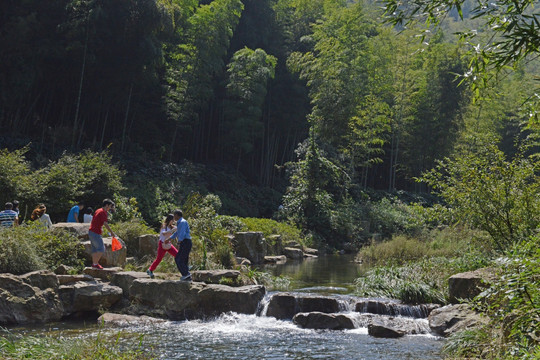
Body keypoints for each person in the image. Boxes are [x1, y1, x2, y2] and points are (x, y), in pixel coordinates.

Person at [146, 214, 179, 279]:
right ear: (170, 220)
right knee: (159, 259)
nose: (173, 222)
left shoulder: (172, 227)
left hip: (168, 244)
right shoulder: (164, 226)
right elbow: (164, 233)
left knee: (178, 254)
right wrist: (172, 231)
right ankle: (150, 270)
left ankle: (185, 268)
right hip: (162, 244)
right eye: (173, 220)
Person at [88, 199, 116, 269]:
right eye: (110, 206)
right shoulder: (103, 212)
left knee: (95, 249)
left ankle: (95, 264)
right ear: (106, 205)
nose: (110, 208)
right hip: (95, 232)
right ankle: (95, 264)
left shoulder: (98, 210)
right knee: (101, 249)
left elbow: (96, 221)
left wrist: (101, 228)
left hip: (91, 231)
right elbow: (105, 224)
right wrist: (112, 233)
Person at [166, 209, 192, 281]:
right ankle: (187, 275)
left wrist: (179, 243)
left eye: (174, 215)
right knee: (183, 259)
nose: (174, 217)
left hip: (185, 242)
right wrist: (169, 239)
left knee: (179, 259)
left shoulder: (182, 222)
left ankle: (186, 274)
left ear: (177, 215)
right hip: (185, 242)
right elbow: (177, 232)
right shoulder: (180, 222)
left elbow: (182, 234)